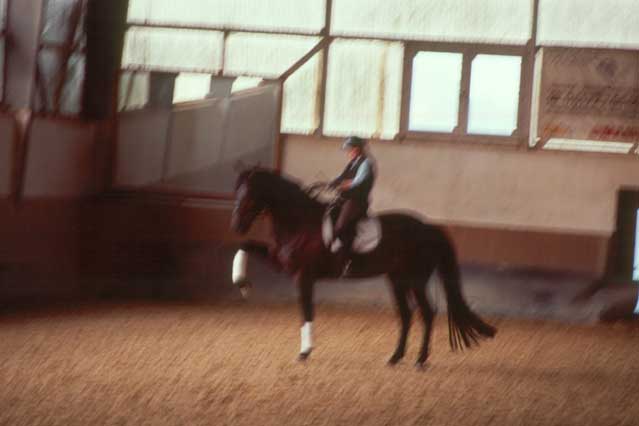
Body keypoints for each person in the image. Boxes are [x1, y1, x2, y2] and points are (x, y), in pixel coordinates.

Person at [328, 136, 376, 273]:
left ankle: (348, 261)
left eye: (349, 149)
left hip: (356, 201)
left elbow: (357, 181)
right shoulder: (352, 162)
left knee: (341, 226)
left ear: (357, 149)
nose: (348, 152)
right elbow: (342, 176)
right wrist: (332, 182)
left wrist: (343, 185)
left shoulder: (366, 163)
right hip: (346, 199)